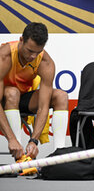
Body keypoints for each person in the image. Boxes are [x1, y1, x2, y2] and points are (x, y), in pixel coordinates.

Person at [0, 22, 68, 160]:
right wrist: (12, 139)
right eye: (30, 51)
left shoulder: (45, 62)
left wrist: (34, 140)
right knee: (12, 92)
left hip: (21, 98)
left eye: (38, 52)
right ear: (21, 40)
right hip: (4, 98)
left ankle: (59, 157)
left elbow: (43, 107)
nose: (33, 56)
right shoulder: (4, 56)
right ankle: (18, 155)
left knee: (61, 96)